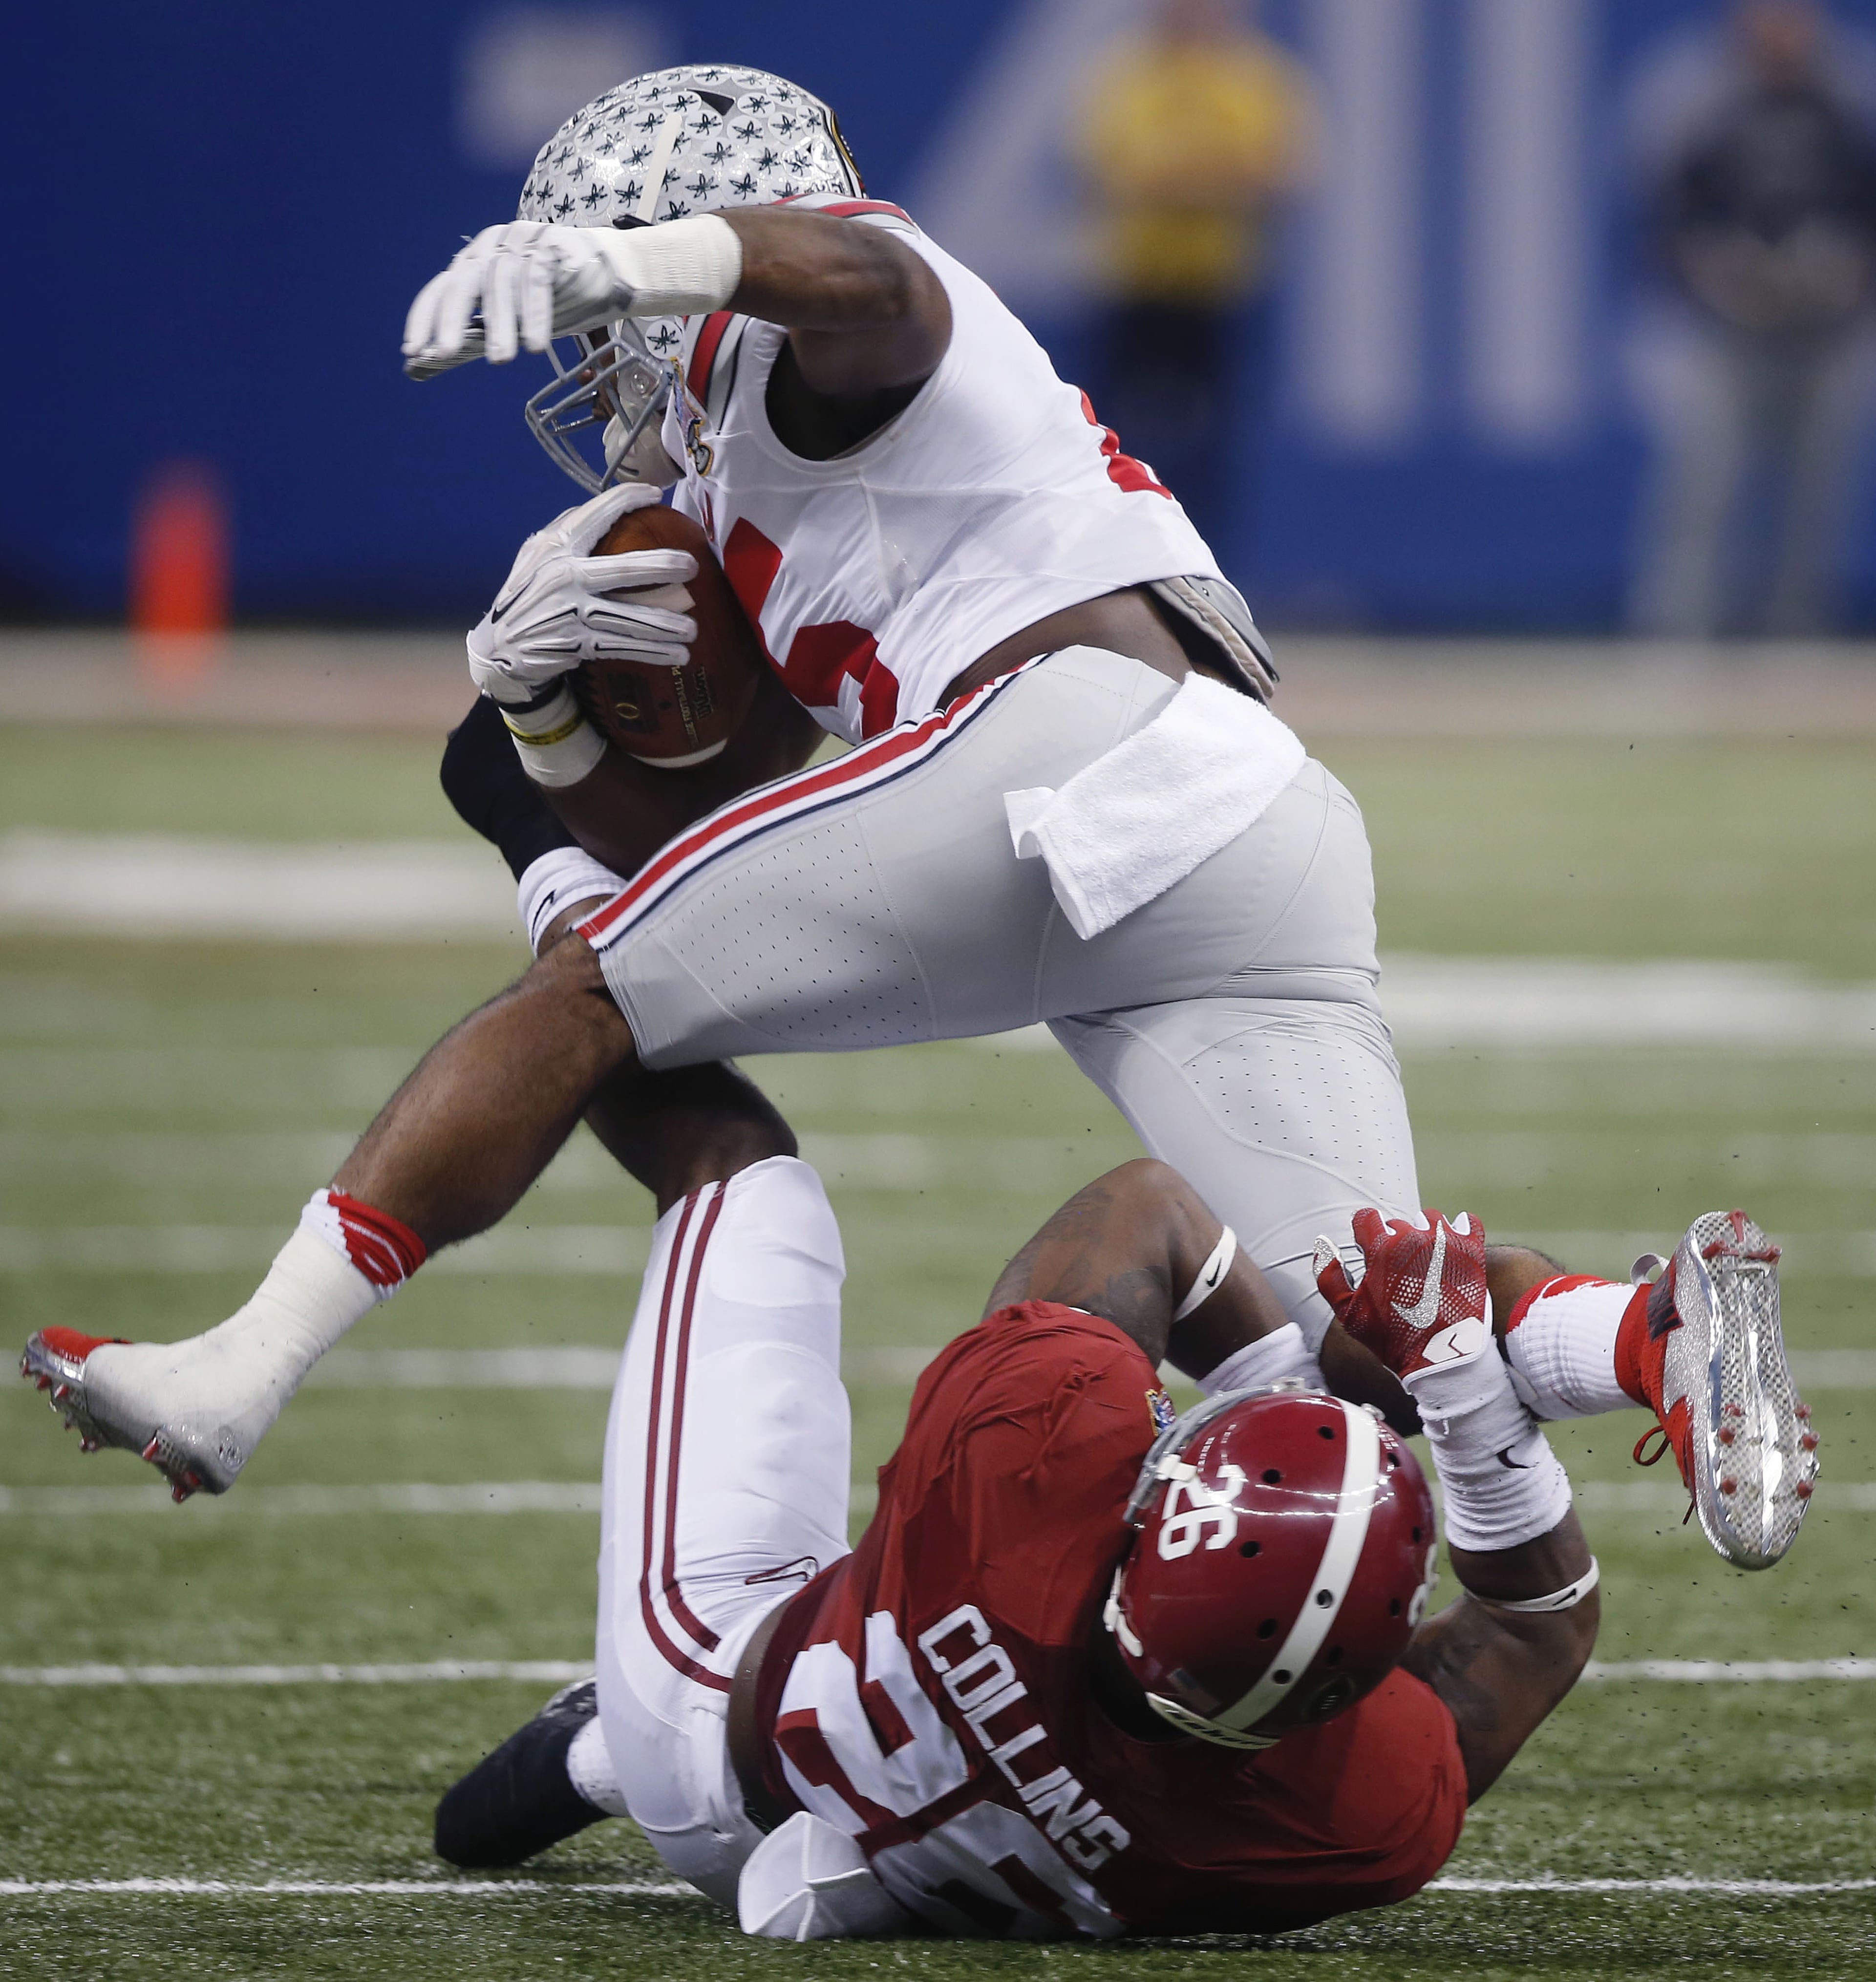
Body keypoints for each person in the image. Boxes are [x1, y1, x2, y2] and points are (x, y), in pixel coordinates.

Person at [15, 64, 1815, 1586]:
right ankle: (1651, 1330)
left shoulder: (849, 324)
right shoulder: (745, 491)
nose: (606, 371)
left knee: (580, 999)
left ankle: (240, 1369)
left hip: (1074, 751)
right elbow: (723, 847)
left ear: (690, 270)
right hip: (1245, 817)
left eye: (624, 311)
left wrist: (623, 256)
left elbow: (855, 277)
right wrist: (540, 719)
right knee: (1366, 1323)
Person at [407, 1059, 1799, 1938]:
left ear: (1135, 1534)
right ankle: (1626, 1338)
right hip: (892, 1852)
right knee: (1402, 1339)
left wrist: (1381, 1368)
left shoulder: (1016, 1503)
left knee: (731, 1157)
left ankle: (580, 911)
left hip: (718, 1692)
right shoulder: (1349, 1812)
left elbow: (1145, 1209)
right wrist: (1462, 1397)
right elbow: (1535, 1628)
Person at [1627, 0, 1876, 636]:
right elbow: (1662, 219)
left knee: (1815, 498)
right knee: (1705, 489)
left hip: (1830, 333)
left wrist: (1842, 273)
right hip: (1725, 333)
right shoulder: (1697, 97)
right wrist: (1723, 274)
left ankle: (1797, 636)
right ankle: (1678, 637)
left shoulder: (1851, 97)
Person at [1074, 0, 1316, 552]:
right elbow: (1120, 173)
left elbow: (1283, 177)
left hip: (1220, 290)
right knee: (1106, 435)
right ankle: (1114, 561)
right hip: (1133, 285)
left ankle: (1209, 564)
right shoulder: (1125, 77)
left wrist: (1180, 179)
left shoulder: (1258, 80)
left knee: (1216, 446)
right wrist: (1219, 178)